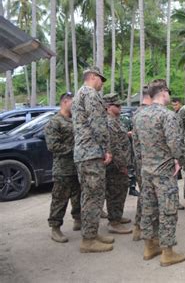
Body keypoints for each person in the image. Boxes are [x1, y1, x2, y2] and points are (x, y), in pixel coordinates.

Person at [134, 81, 185, 265]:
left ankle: (149, 247)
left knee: (148, 209)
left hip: (146, 170)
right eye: (168, 92)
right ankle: (167, 252)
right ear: (163, 92)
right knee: (168, 210)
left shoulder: (139, 115)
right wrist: (180, 161)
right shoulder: (167, 115)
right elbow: (175, 144)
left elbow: (137, 145)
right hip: (164, 171)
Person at [72, 67, 114, 253]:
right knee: (93, 196)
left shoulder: (79, 94)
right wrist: (106, 149)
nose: (102, 84)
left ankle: (92, 232)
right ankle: (88, 240)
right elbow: (98, 124)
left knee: (89, 194)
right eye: (101, 79)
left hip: (84, 153)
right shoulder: (90, 94)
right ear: (93, 77)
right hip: (91, 153)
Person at [45, 92, 81, 243]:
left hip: (77, 166)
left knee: (78, 196)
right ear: (65, 102)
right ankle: (55, 228)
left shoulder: (75, 120)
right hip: (63, 169)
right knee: (60, 198)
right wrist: (75, 150)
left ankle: (78, 220)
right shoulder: (55, 122)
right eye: (73, 103)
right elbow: (53, 146)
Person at [103, 93, 133, 235]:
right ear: (109, 107)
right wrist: (122, 166)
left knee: (121, 191)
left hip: (121, 163)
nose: (120, 107)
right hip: (115, 165)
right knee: (114, 193)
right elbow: (113, 147)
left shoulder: (116, 120)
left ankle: (118, 216)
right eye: (117, 105)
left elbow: (119, 139)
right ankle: (113, 222)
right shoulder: (108, 122)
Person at [131, 85, 153, 241]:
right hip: (147, 162)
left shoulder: (137, 113)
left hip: (141, 161)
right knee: (147, 196)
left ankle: (138, 227)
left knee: (145, 194)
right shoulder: (146, 113)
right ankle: (143, 229)